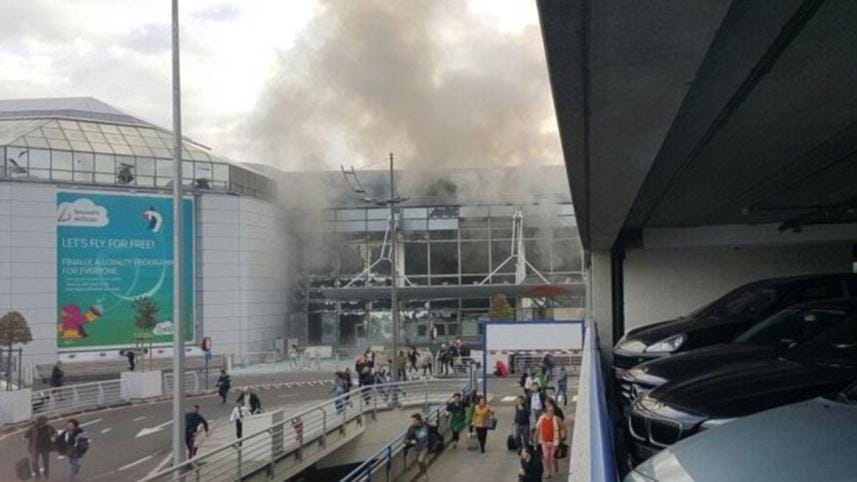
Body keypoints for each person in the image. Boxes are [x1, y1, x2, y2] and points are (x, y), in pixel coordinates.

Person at [24, 416, 57, 480]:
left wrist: (54, 437)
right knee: (34, 463)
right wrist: (23, 439)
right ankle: (38, 475)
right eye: (46, 421)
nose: (47, 422)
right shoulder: (33, 429)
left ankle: (46, 475)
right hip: (35, 448)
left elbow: (55, 433)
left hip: (46, 448)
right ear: (42, 422)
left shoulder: (49, 428)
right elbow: (26, 436)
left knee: (46, 463)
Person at [535, 405, 561, 478]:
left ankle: (555, 464)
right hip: (544, 441)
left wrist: (560, 439)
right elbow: (537, 428)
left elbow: (561, 428)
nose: (551, 412)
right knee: (546, 457)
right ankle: (548, 472)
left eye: (552, 410)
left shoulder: (556, 419)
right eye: (550, 411)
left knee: (553, 457)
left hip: (554, 441)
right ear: (546, 412)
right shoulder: (542, 418)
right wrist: (535, 440)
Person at [405, 413, 431, 480]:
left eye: (414, 421)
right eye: (412, 421)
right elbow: (405, 440)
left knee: (420, 460)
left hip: (426, 447)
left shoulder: (425, 425)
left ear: (419, 420)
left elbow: (433, 427)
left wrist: (435, 424)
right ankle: (424, 473)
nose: (413, 422)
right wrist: (411, 441)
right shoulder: (411, 428)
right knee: (420, 463)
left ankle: (424, 474)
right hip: (418, 448)